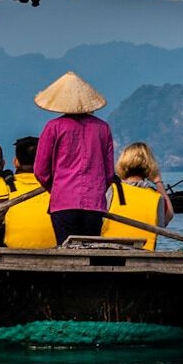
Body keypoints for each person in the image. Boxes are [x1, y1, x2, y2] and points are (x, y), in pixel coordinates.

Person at [31, 71, 116, 245]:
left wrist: (56, 188)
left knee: (67, 253)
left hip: (63, 202)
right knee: (90, 253)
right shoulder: (103, 128)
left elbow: (40, 170)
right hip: (94, 204)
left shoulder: (53, 127)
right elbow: (108, 174)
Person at [105, 141, 174, 244]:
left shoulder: (113, 190)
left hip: (110, 254)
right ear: (150, 166)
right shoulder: (156, 196)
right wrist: (158, 182)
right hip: (143, 255)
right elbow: (169, 216)